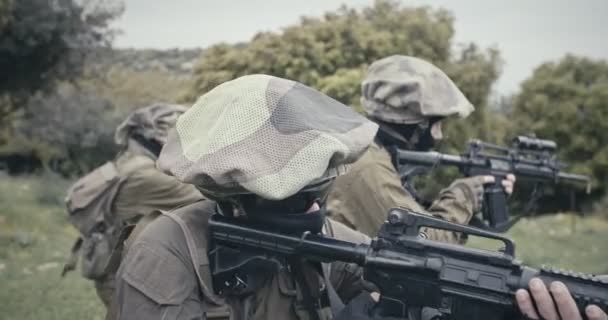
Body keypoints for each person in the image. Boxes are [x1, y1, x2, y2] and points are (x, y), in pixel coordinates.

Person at [112, 75, 605, 320]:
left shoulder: (330, 240)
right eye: (298, 193)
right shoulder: (168, 252)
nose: (314, 209)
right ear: (238, 194)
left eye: (321, 186)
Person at [326, 55, 515, 241]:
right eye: (436, 125)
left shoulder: (366, 151)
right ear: (416, 125)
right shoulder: (368, 166)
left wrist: (478, 201)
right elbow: (425, 244)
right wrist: (465, 194)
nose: (439, 135)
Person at [68, 103, 205, 318]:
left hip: (122, 266)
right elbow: (205, 196)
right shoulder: (145, 175)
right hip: (123, 271)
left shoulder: (132, 161)